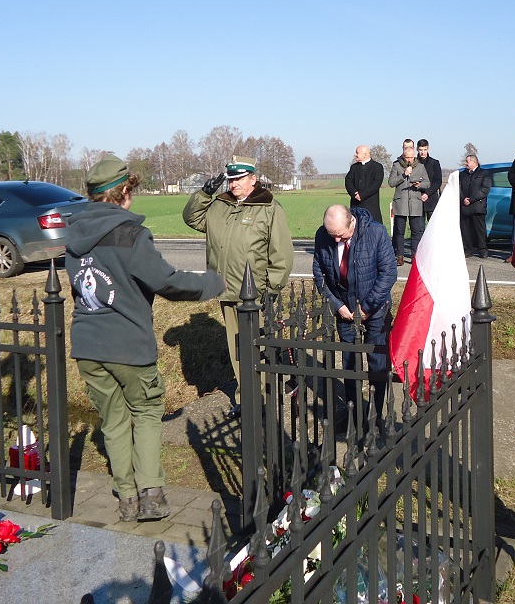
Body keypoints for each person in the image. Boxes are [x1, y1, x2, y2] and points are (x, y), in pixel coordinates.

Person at [66, 155, 225, 522]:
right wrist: (213, 281)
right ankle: (151, 495)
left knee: (114, 421)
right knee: (148, 412)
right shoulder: (130, 234)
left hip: (88, 345)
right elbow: (166, 281)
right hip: (128, 344)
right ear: (123, 193)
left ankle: (126, 499)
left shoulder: (73, 235)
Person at [183, 156, 294, 414]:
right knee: (237, 350)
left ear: (253, 179)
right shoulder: (220, 206)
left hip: (255, 294)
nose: (234, 184)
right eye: (231, 179)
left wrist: (272, 289)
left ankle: (265, 399)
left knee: (259, 347)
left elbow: (281, 254)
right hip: (227, 290)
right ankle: (246, 400)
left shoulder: (269, 208)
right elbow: (192, 218)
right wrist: (205, 193)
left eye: (239, 179)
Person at [311, 205, 397, 427]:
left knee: (378, 363)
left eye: (341, 234)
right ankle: (354, 413)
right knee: (350, 363)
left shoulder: (375, 232)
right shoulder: (323, 235)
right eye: (333, 236)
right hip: (345, 311)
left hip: (375, 309)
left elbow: (388, 273)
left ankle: (376, 415)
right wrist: (337, 305)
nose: (337, 240)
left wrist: (367, 308)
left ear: (352, 222)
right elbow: (319, 273)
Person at [388, 142, 429, 266]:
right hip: (401, 203)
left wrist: (420, 185)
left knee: (416, 231)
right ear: (403, 156)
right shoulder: (396, 166)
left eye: (412, 157)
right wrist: (403, 175)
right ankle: (399, 255)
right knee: (399, 231)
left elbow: (428, 183)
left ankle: (414, 255)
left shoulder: (420, 167)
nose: (410, 160)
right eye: (407, 157)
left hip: (415, 203)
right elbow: (391, 182)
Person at [459, 154, 491, 258]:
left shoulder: (484, 173)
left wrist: (472, 199)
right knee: (465, 229)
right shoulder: (462, 174)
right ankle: (467, 249)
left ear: (474, 162)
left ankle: (482, 249)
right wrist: (463, 198)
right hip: (464, 206)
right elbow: (458, 188)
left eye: (467, 161)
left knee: (479, 229)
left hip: (478, 206)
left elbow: (485, 189)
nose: (465, 163)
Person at [345, 145, 385, 223]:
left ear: (365, 154)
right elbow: (348, 181)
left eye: (357, 153)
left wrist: (362, 195)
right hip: (355, 206)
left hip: (371, 207)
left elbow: (376, 184)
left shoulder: (377, 167)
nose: (355, 155)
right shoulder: (353, 167)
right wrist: (354, 193)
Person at [416, 139, 443, 223]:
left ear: (428, 149)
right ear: (417, 149)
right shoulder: (413, 163)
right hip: (417, 199)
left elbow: (438, 181)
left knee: (433, 227)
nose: (422, 152)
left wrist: (427, 193)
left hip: (432, 199)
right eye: (420, 150)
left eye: (424, 150)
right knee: (419, 229)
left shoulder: (434, 163)